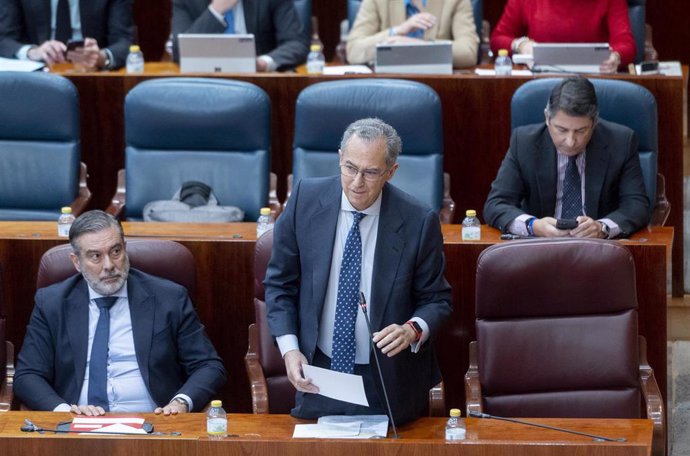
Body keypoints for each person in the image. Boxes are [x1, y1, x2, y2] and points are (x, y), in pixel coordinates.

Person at [264, 118, 452, 425]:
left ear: (391, 172)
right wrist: (289, 349)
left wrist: (412, 329)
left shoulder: (418, 221)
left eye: (371, 172)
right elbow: (279, 283)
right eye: (350, 167)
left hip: (386, 377)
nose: (356, 182)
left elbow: (437, 300)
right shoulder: (304, 200)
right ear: (339, 158)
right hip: (318, 370)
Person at [14, 210, 226, 415]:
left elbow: (208, 365)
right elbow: (27, 375)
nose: (109, 265)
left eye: (115, 251)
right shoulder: (52, 302)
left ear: (125, 249)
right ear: (77, 262)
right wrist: (65, 411)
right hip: (79, 425)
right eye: (95, 256)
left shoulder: (169, 297)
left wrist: (181, 402)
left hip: (156, 422)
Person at [483, 77, 650, 239]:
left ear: (594, 122)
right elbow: (496, 204)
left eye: (581, 131)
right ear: (547, 118)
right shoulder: (524, 143)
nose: (570, 142)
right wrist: (534, 226)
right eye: (562, 130)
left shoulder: (621, 142)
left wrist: (602, 228)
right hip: (540, 249)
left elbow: (637, 206)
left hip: (599, 251)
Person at [490, 0, 636, 73]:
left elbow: (626, 44)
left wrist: (616, 56)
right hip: (539, 79)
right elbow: (498, 39)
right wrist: (520, 45)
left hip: (593, 81)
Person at [172, 0, 309, 72]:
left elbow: (296, 43)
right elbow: (179, 51)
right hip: (202, 81)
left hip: (258, 82)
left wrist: (263, 63)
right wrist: (215, 11)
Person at [0, 0, 134, 70]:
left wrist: (101, 57)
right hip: (38, 76)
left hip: (92, 75)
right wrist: (32, 52)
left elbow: (125, 41)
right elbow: (4, 39)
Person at [347, 0, 479, 68]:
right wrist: (396, 31)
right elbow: (354, 50)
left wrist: (418, 45)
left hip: (440, 83)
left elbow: (468, 52)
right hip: (386, 81)